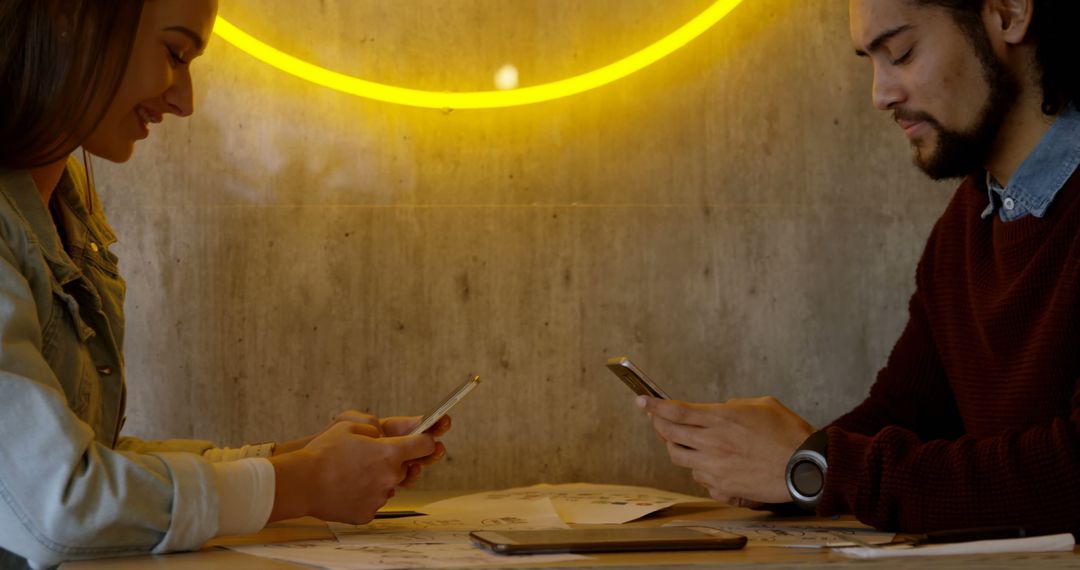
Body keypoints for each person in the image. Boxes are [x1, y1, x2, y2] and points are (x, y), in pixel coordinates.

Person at [0, 1, 448, 567]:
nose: (184, 101)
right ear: (71, 19)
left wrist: (299, 459)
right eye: (174, 53)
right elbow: (60, 503)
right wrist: (301, 484)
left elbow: (93, 459)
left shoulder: (68, 215)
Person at [638, 0, 1080, 533]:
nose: (879, 94)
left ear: (1008, 13)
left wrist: (815, 469)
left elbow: (1070, 471)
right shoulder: (967, 225)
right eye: (870, 61)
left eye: (901, 52)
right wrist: (778, 463)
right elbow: (905, 413)